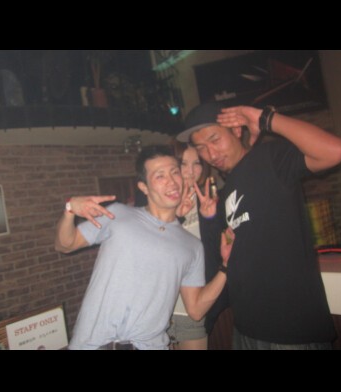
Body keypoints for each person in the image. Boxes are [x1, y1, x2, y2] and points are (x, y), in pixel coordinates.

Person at [177, 103, 341, 349]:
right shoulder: (226, 191)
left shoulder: (269, 158)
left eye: (214, 140)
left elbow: (335, 151)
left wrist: (266, 118)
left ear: (236, 130)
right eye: (201, 148)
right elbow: (226, 254)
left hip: (291, 329)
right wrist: (210, 219)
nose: (210, 154)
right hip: (245, 327)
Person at [55, 145, 234, 350]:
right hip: (95, 344)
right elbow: (65, 245)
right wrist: (70, 210)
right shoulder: (118, 214)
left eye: (175, 172)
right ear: (144, 187)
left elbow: (196, 310)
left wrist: (226, 266)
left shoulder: (192, 245)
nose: (172, 181)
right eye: (160, 176)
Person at [167, 141, 227, 350]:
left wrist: (209, 219)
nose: (191, 171)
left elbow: (217, 254)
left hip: (191, 311)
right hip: (160, 312)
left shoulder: (209, 201)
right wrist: (177, 218)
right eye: (183, 164)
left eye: (197, 163)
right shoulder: (162, 203)